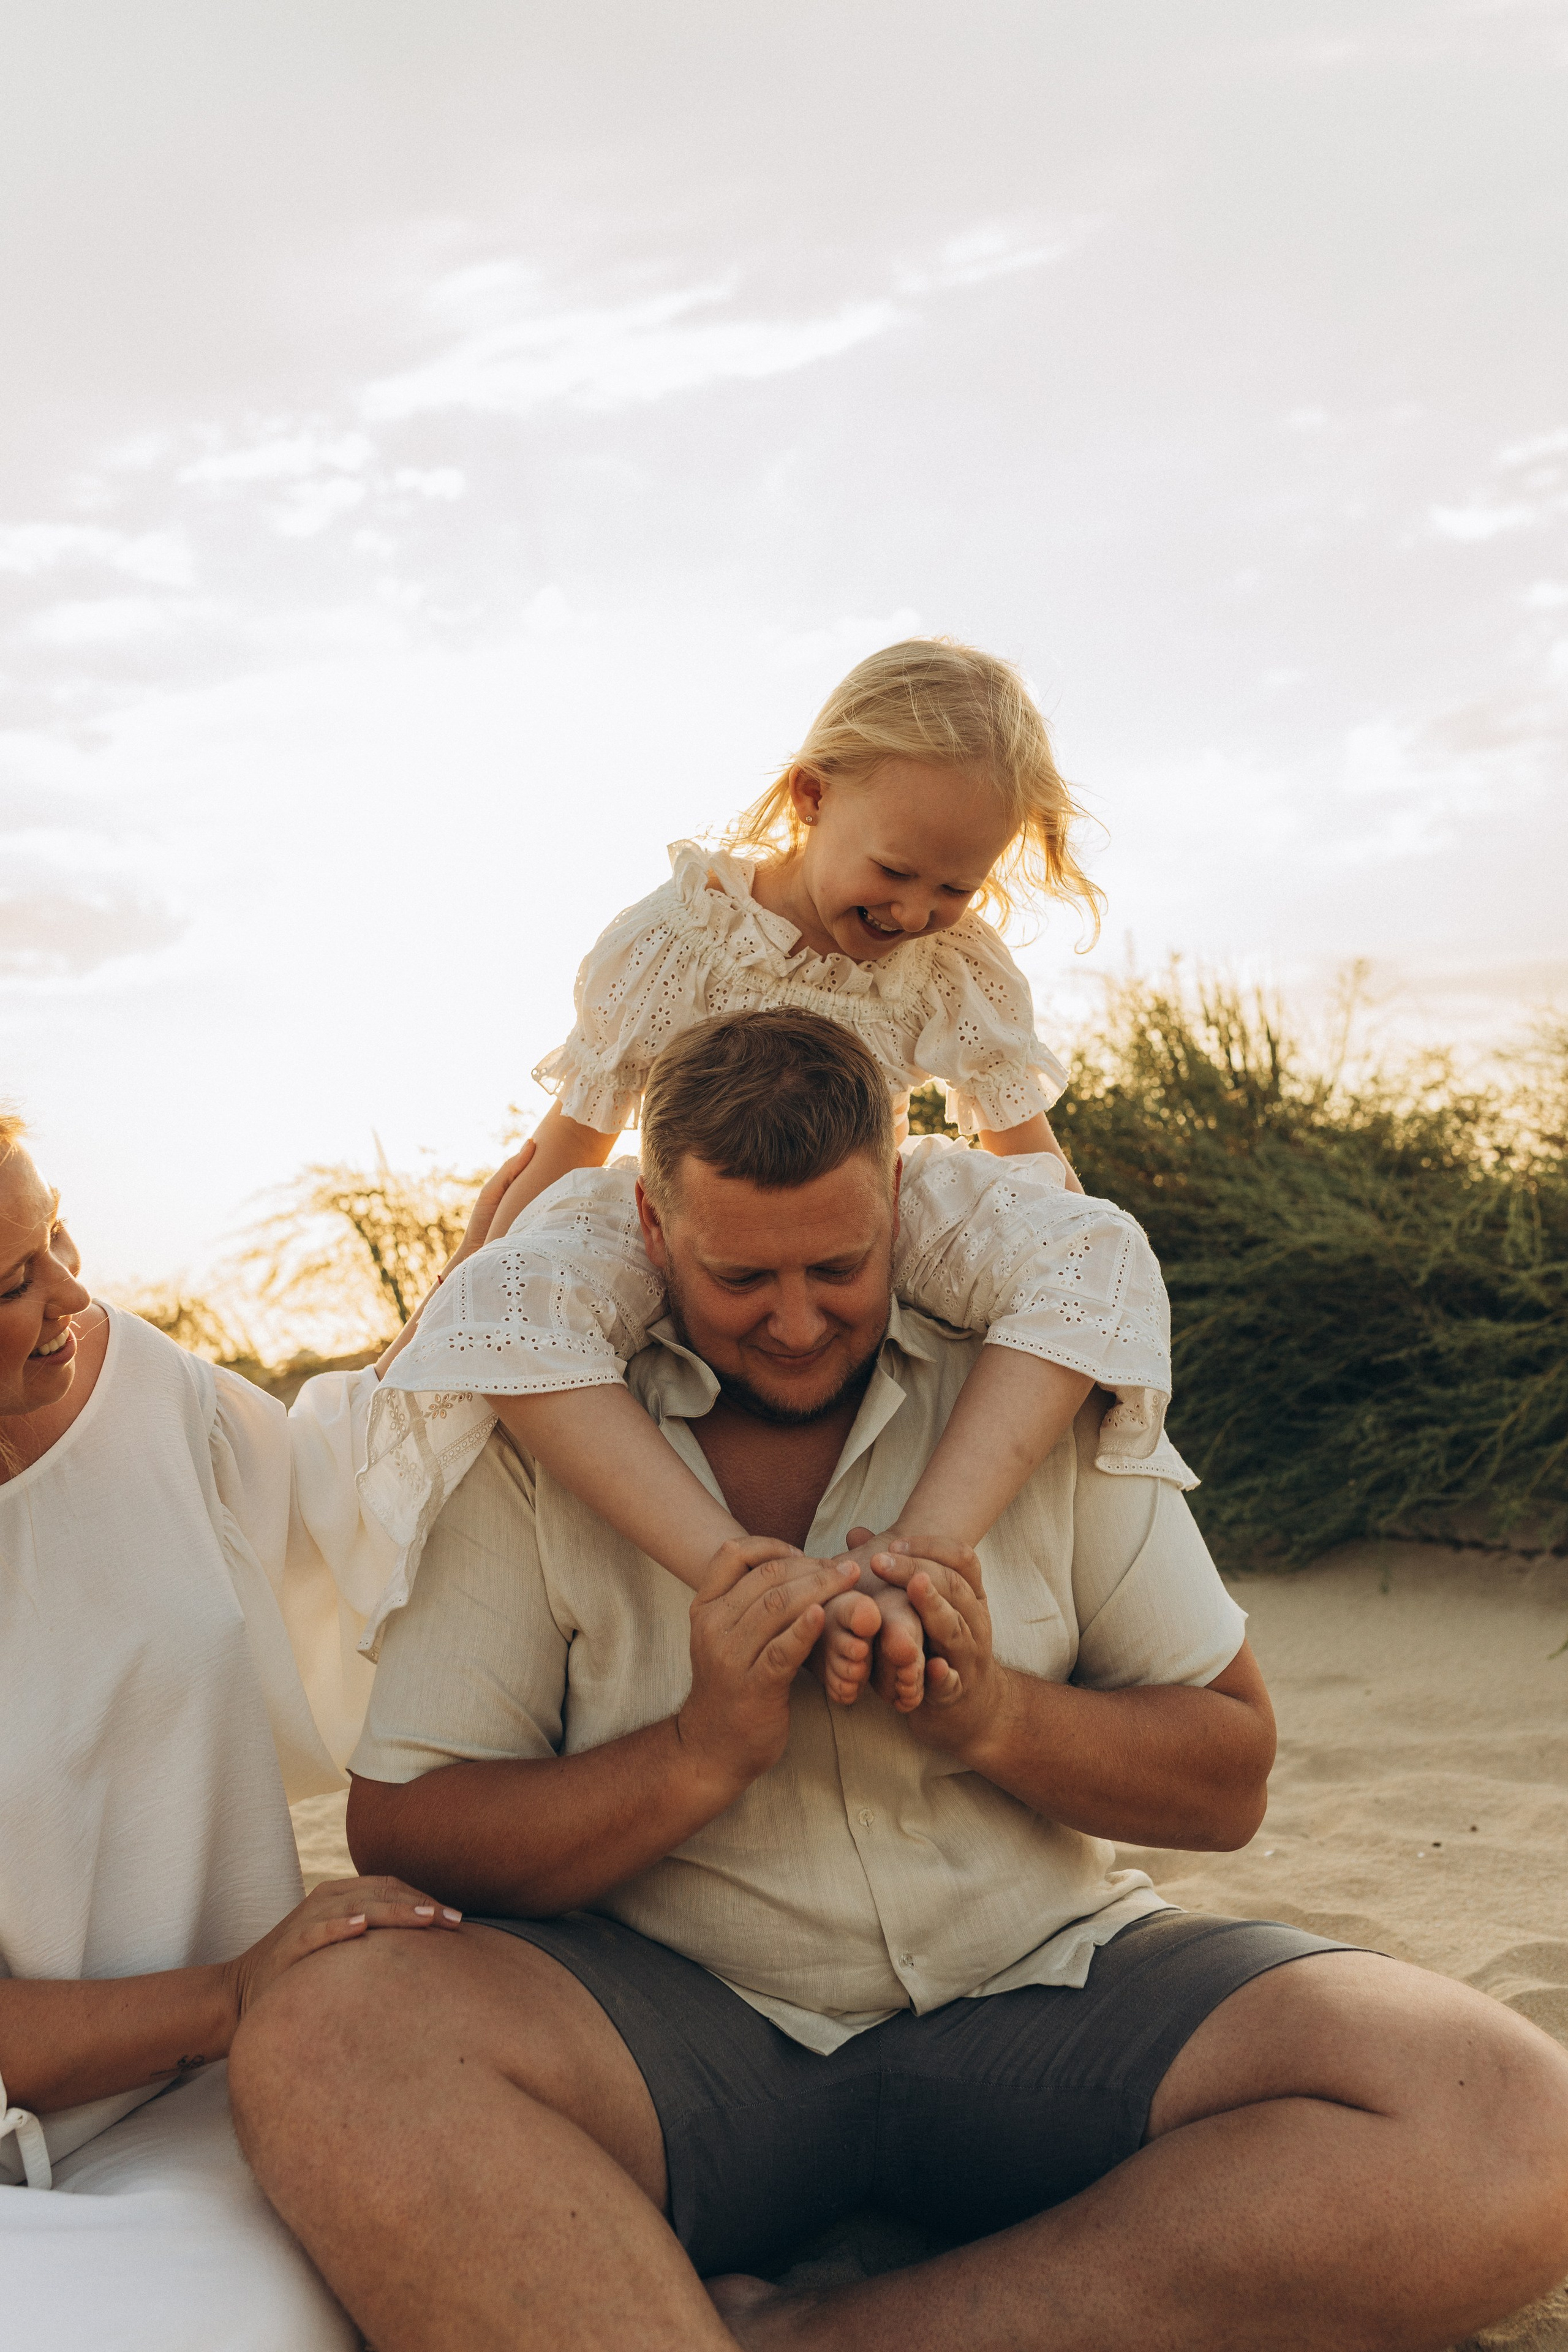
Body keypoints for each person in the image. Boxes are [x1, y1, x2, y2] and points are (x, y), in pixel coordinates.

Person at [228, 1013, 1568, 2352]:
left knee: (1508, 2119)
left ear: (900, 1204)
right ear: (649, 1225)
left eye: (840, 1265)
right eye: (740, 1277)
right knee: (331, 2030)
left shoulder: (1037, 1392)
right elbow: (403, 1826)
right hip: (667, 2029)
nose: (798, 1322)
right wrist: (699, 1753)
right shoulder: (538, 1432)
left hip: (1047, 1983)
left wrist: (994, 1713)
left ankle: (835, 2335)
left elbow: (1228, 1777)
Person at [373, 637, 1188, 1713]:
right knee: (501, 1308)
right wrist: (463, 1292)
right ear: (812, 796)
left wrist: (1063, 1284)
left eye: (957, 884)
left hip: (876, 1196)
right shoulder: (680, 935)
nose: (915, 912)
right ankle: (737, 1569)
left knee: (1103, 1250)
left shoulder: (954, 962)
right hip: (683, 1204)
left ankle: (923, 1551)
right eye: (895, 871)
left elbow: (1030, 1159)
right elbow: (571, 1144)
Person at [0, 1109, 528, 2350]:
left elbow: (359, 1505)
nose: (77, 1288)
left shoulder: (145, 1390)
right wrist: (236, 1989)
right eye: (16, 1277)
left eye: (57, 1229)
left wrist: (536, 1197)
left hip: (185, 2115)